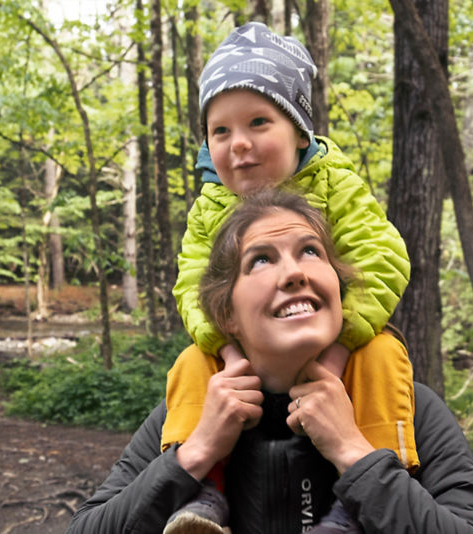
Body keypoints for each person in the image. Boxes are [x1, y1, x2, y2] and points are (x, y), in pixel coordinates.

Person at [65, 190, 473, 534]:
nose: (295, 273)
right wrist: (195, 454)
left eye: (311, 251)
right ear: (227, 315)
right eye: (261, 260)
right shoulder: (191, 414)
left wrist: (354, 454)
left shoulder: (410, 410)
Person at [167, 21, 413, 532]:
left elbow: (381, 259)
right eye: (220, 131)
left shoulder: (333, 183)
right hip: (246, 353)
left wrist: (339, 350)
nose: (238, 144)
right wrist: (226, 351)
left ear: (300, 131)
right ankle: (202, 488)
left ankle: (367, 486)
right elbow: (192, 285)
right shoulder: (210, 207)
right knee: (191, 362)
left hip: (337, 341)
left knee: (384, 354)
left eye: (258, 122)